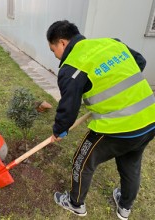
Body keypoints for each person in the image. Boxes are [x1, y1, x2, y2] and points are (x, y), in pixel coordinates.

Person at [46, 20, 155, 219]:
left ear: (62, 43)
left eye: (53, 50)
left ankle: (75, 203)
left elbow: (69, 108)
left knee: (82, 160)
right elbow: (140, 62)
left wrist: (59, 130)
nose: (55, 56)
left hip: (119, 127)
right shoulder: (111, 43)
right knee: (131, 163)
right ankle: (125, 207)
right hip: (149, 118)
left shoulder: (72, 68)